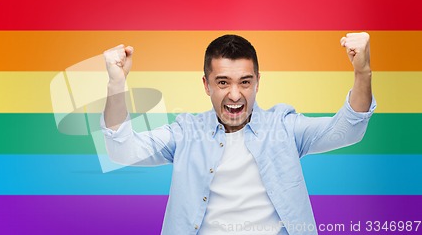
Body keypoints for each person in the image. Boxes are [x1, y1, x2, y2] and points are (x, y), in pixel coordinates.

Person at [100, 33, 376, 235]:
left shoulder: (285, 127)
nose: (235, 94)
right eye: (223, 82)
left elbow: (348, 130)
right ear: (206, 85)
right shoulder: (185, 133)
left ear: (258, 82)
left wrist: (362, 71)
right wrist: (116, 83)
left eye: (245, 82)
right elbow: (122, 150)